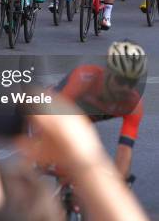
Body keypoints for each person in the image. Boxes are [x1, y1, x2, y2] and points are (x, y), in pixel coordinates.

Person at [55, 41, 146, 179]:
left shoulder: (134, 104)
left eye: (132, 82)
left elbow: (124, 150)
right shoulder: (85, 77)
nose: (126, 88)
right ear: (108, 72)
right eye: (121, 80)